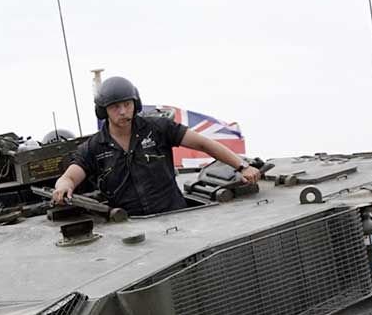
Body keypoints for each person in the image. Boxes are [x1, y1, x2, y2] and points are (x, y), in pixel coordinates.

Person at [51, 75, 260, 218]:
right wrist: (63, 187)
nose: (123, 111)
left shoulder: (158, 129)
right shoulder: (94, 147)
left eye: (127, 104)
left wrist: (241, 166)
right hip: (133, 227)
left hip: (176, 216)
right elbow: (70, 176)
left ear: (136, 104)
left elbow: (204, 143)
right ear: (103, 111)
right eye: (115, 107)